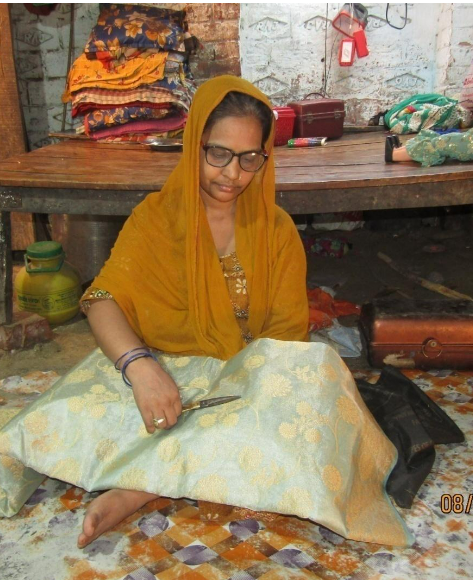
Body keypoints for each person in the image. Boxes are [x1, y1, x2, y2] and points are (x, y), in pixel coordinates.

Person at [76, 75, 309, 548]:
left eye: (249, 158)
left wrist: (249, 386)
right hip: (168, 366)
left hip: (249, 379)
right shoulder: (156, 218)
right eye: (217, 153)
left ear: (266, 156)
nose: (231, 174)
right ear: (194, 143)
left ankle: (142, 485)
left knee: (317, 395)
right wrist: (140, 368)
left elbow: (286, 342)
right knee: (75, 405)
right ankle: (189, 462)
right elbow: (104, 300)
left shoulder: (277, 230)